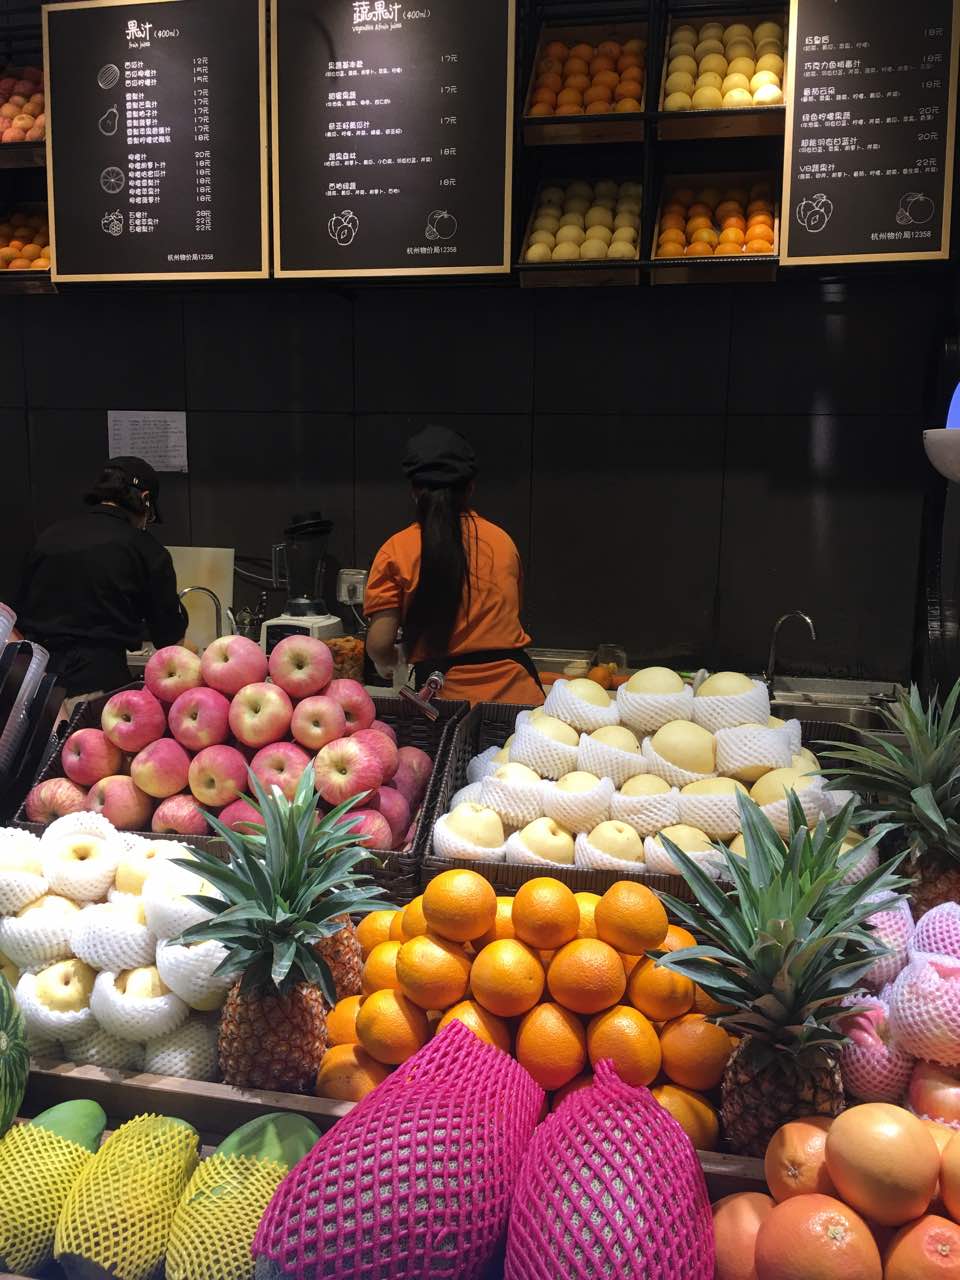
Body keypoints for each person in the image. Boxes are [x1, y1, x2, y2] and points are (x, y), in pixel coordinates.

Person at [364, 425, 544, 705]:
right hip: (521, 702)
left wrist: (389, 660)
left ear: (414, 491)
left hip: (447, 707)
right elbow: (510, 614)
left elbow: (378, 644)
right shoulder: (502, 541)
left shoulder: (396, 550)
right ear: (470, 488)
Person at [14, 456, 187, 703]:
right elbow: (170, 640)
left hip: (36, 681)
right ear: (145, 499)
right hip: (98, 683)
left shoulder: (49, 537)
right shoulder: (145, 548)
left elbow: (17, 615)